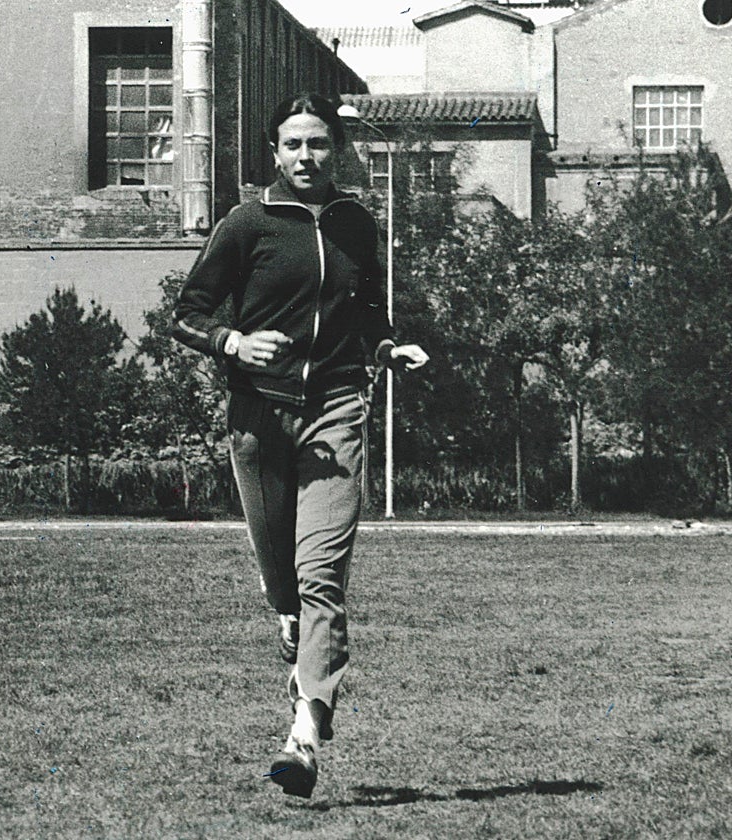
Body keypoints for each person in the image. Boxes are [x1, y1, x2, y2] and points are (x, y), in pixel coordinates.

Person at [172, 92, 429, 799]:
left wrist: (387, 347)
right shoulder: (247, 222)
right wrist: (233, 342)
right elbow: (187, 314)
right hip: (259, 415)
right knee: (284, 582)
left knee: (322, 578)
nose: (307, 156)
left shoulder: (356, 223)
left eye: (318, 143)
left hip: (337, 410)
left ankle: (305, 733)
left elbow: (368, 312)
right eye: (294, 145)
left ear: (335, 151)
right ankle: (288, 619)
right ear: (276, 153)